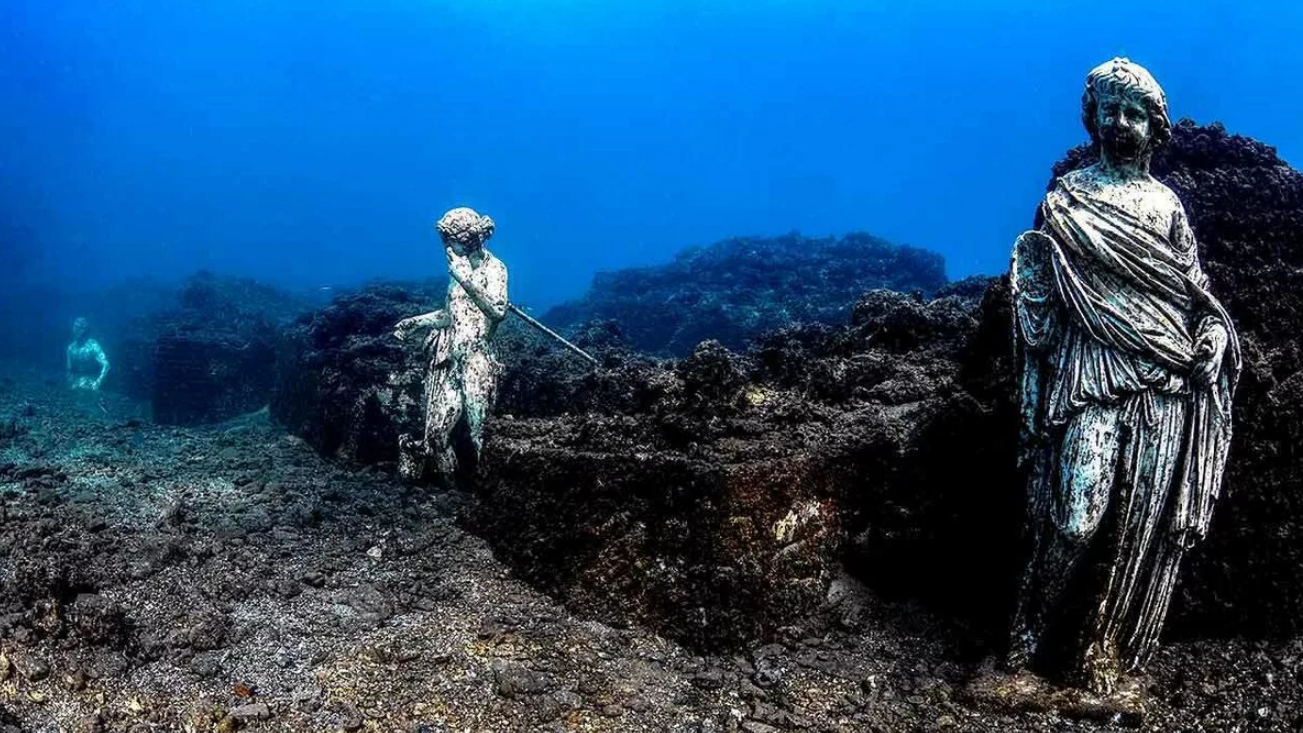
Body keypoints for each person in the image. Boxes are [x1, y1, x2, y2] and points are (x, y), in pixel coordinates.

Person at [1007, 58, 1241, 694]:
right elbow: (1044, 292)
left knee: (1135, 524)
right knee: (1076, 517)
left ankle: (1098, 653)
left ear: (1153, 124)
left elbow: (1196, 296)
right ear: (1093, 117)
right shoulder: (1068, 199)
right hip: (1089, 372)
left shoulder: (1166, 205)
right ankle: (1022, 648)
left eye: (1132, 111)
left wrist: (1216, 337)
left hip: (1164, 377)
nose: (1119, 121)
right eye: (1108, 109)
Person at [393, 207, 508, 481]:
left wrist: (464, 278)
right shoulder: (458, 270)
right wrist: (414, 322)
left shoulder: (495, 268)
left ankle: (487, 498)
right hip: (456, 361)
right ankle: (451, 491)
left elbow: (498, 311)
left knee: (479, 434)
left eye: (448, 239)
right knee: (436, 434)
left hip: (478, 362)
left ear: (467, 240)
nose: (445, 246)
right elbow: (450, 315)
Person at [66, 317, 110, 391]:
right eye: (76, 327)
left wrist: (98, 382)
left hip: (93, 383)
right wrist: (71, 383)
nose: (77, 330)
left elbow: (106, 365)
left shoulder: (93, 346)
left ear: (86, 330)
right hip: (77, 385)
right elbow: (69, 370)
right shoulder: (71, 348)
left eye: (81, 328)